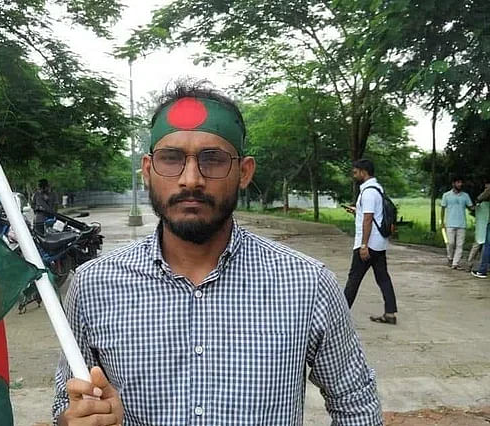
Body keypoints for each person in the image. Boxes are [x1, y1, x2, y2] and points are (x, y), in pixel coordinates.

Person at [52, 82, 382, 425]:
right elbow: (64, 405)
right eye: (171, 159)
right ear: (148, 171)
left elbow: (355, 404)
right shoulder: (93, 287)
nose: (191, 180)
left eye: (213, 160)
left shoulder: (308, 285)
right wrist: (75, 420)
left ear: (244, 172)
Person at [342, 159, 398, 325]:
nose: (354, 175)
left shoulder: (368, 192)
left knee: (354, 279)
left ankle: (339, 316)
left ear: (363, 172)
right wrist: (356, 210)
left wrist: (364, 245)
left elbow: (368, 219)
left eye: (355, 172)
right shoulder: (377, 189)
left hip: (368, 244)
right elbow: (370, 214)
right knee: (383, 277)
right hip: (379, 243)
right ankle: (390, 313)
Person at [441, 176, 474, 269]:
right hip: (450, 223)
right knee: (450, 243)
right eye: (458, 182)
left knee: (460, 245)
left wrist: (480, 204)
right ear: (453, 183)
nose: (460, 184)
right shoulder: (446, 195)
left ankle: (455, 263)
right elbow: (443, 209)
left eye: (461, 182)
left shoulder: (465, 195)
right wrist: (442, 221)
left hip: (461, 224)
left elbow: (471, 206)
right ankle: (450, 258)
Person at [468, 179, 490, 270]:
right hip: (484, 221)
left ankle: (480, 266)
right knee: (480, 243)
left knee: (482, 244)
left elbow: (481, 197)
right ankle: (472, 263)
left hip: (485, 222)